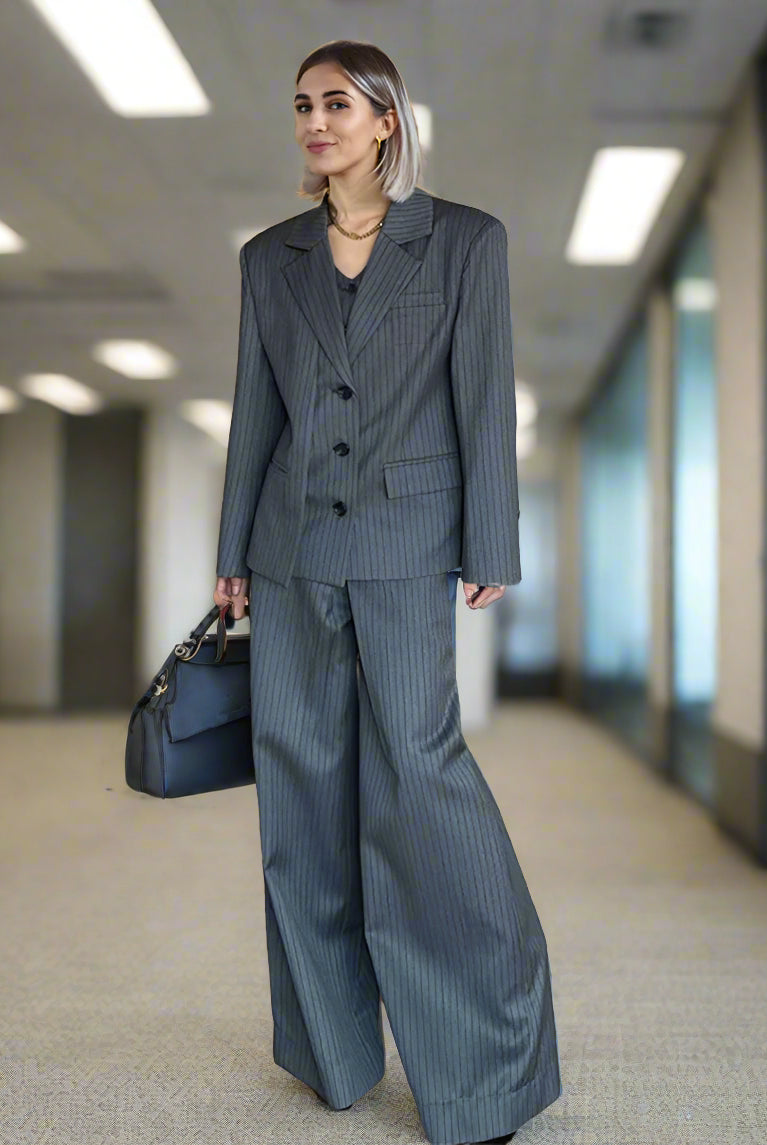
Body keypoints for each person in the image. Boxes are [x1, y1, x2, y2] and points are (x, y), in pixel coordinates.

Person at [213, 38, 561, 1145]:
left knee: (419, 782)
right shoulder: (268, 257)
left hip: (409, 545)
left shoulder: (462, 240)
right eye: (302, 105)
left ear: (385, 120)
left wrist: (490, 538)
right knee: (300, 794)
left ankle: (484, 1071)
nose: (315, 121)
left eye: (337, 103)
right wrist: (231, 550)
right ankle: (334, 1049)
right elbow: (256, 411)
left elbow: (482, 395)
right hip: (290, 550)